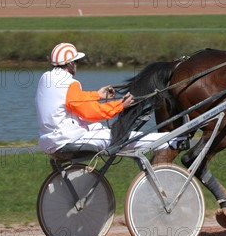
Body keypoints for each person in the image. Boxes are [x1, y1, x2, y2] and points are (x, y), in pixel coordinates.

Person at [35, 42, 181, 155]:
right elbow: (90, 113)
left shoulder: (46, 78)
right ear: (70, 63)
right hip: (66, 139)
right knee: (121, 137)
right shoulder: (70, 83)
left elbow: (72, 100)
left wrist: (97, 95)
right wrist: (120, 105)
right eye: (76, 62)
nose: (77, 65)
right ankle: (171, 141)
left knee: (99, 128)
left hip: (50, 139)